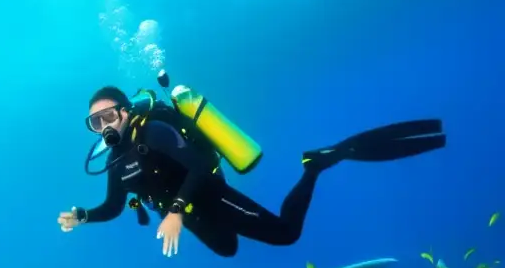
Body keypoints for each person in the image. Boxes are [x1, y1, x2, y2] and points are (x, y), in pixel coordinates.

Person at [58, 85, 445, 258]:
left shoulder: (154, 131)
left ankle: (315, 165)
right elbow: (112, 205)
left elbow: (195, 166)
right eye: (95, 123)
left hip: (206, 193)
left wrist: (175, 212)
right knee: (228, 249)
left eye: (108, 115)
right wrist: (84, 216)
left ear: (125, 111)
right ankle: (196, 217)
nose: (104, 125)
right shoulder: (113, 158)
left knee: (286, 235)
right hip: (187, 214)